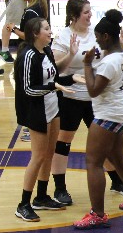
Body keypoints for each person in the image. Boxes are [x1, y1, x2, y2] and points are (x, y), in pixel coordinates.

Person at [74, 10, 123, 229]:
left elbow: (93, 91)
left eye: (98, 36)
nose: (96, 40)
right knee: (118, 158)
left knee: (93, 162)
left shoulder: (109, 62)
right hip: (119, 110)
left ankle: (97, 214)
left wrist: (87, 65)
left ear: (106, 36)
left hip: (108, 113)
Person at [50, 0, 123, 205]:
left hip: (96, 96)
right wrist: (71, 55)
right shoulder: (63, 36)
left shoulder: (97, 34)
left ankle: (116, 180)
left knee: (106, 143)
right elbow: (56, 70)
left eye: (90, 11)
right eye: (86, 12)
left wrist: (120, 46)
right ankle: (60, 188)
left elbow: (107, 59)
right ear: (74, 15)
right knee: (64, 142)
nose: (90, 15)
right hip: (71, 95)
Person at [13, 17, 79, 222]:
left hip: (52, 106)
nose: (51, 32)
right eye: (47, 29)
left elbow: (54, 76)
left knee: (49, 153)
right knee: (38, 156)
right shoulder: (27, 56)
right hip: (35, 110)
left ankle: (41, 196)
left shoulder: (46, 51)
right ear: (35, 33)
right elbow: (27, 90)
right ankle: (23, 203)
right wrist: (53, 87)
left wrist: (72, 73)